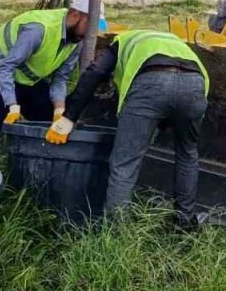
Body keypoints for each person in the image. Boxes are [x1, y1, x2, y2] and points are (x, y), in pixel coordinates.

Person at [47, 29, 209, 226]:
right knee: (187, 153)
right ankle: (185, 222)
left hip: (151, 83)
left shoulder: (120, 42)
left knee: (124, 164)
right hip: (195, 85)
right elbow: (176, 98)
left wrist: (69, 117)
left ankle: (116, 231)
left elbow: (95, 72)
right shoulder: (174, 41)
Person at [0, 0, 100, 161]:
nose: (91, 32)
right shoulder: (38, 30)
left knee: (52, 118)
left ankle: (43, 164)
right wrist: (12, 105)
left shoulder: (76, 40)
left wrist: (59, 110)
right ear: (76, 15)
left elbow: (61, 78)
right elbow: (6, 68)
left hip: (24, 77)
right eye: (89, 25)